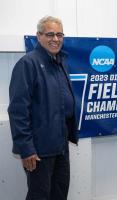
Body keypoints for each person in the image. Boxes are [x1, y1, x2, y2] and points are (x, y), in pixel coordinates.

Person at [8, 16, 78, 200]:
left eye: (59, 34)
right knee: (39, 195)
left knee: (60, 192)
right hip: (39, 150)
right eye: (50, 34)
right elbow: (18, 111)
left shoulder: (61, 62)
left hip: (61, 143)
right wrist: (26, 148)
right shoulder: (27, 64)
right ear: (38, 36)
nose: (55, 39)